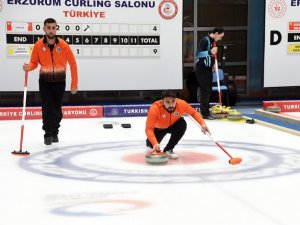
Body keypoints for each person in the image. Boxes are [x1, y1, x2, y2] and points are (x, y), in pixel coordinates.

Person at [23, 18, 78, 145]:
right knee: (47, 107)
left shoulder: (63, 45)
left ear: (56, 28)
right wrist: (28, 68)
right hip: (45, 82)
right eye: (49, 27)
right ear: (44, 29)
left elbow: (73, 64)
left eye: (53, 28)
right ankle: (47, 134)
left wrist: (74, 84)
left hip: (59, 81)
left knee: (57, 109)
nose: (51, 30)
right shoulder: (38, 45)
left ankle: (55, 132)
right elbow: (34, 63)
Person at [145, 90, 210, 159]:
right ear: (162, 102)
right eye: (168, 102)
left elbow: (194, 113)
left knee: (182, 123)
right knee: (151, 145)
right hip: (159, 129)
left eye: (173, 101)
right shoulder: (155, 108)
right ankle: (150, 142)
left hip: (173, 125)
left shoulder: (181, 104)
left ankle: (169, 149)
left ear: (176, 100)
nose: (171, 105)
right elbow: (149, 129)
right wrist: (155, 143)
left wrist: (202, 124)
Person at [195, 27, 224, 120]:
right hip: (201, 69)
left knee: (209, 91)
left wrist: (212, 65)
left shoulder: (212, 41)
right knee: (205, 91)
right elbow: (198, 54)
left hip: (208, 69)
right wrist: (210, 52)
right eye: (220, 36)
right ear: (216, 33)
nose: (220, 39)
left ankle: (206, 111)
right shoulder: (205, 40)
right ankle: (204, 113)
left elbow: (210, 57)